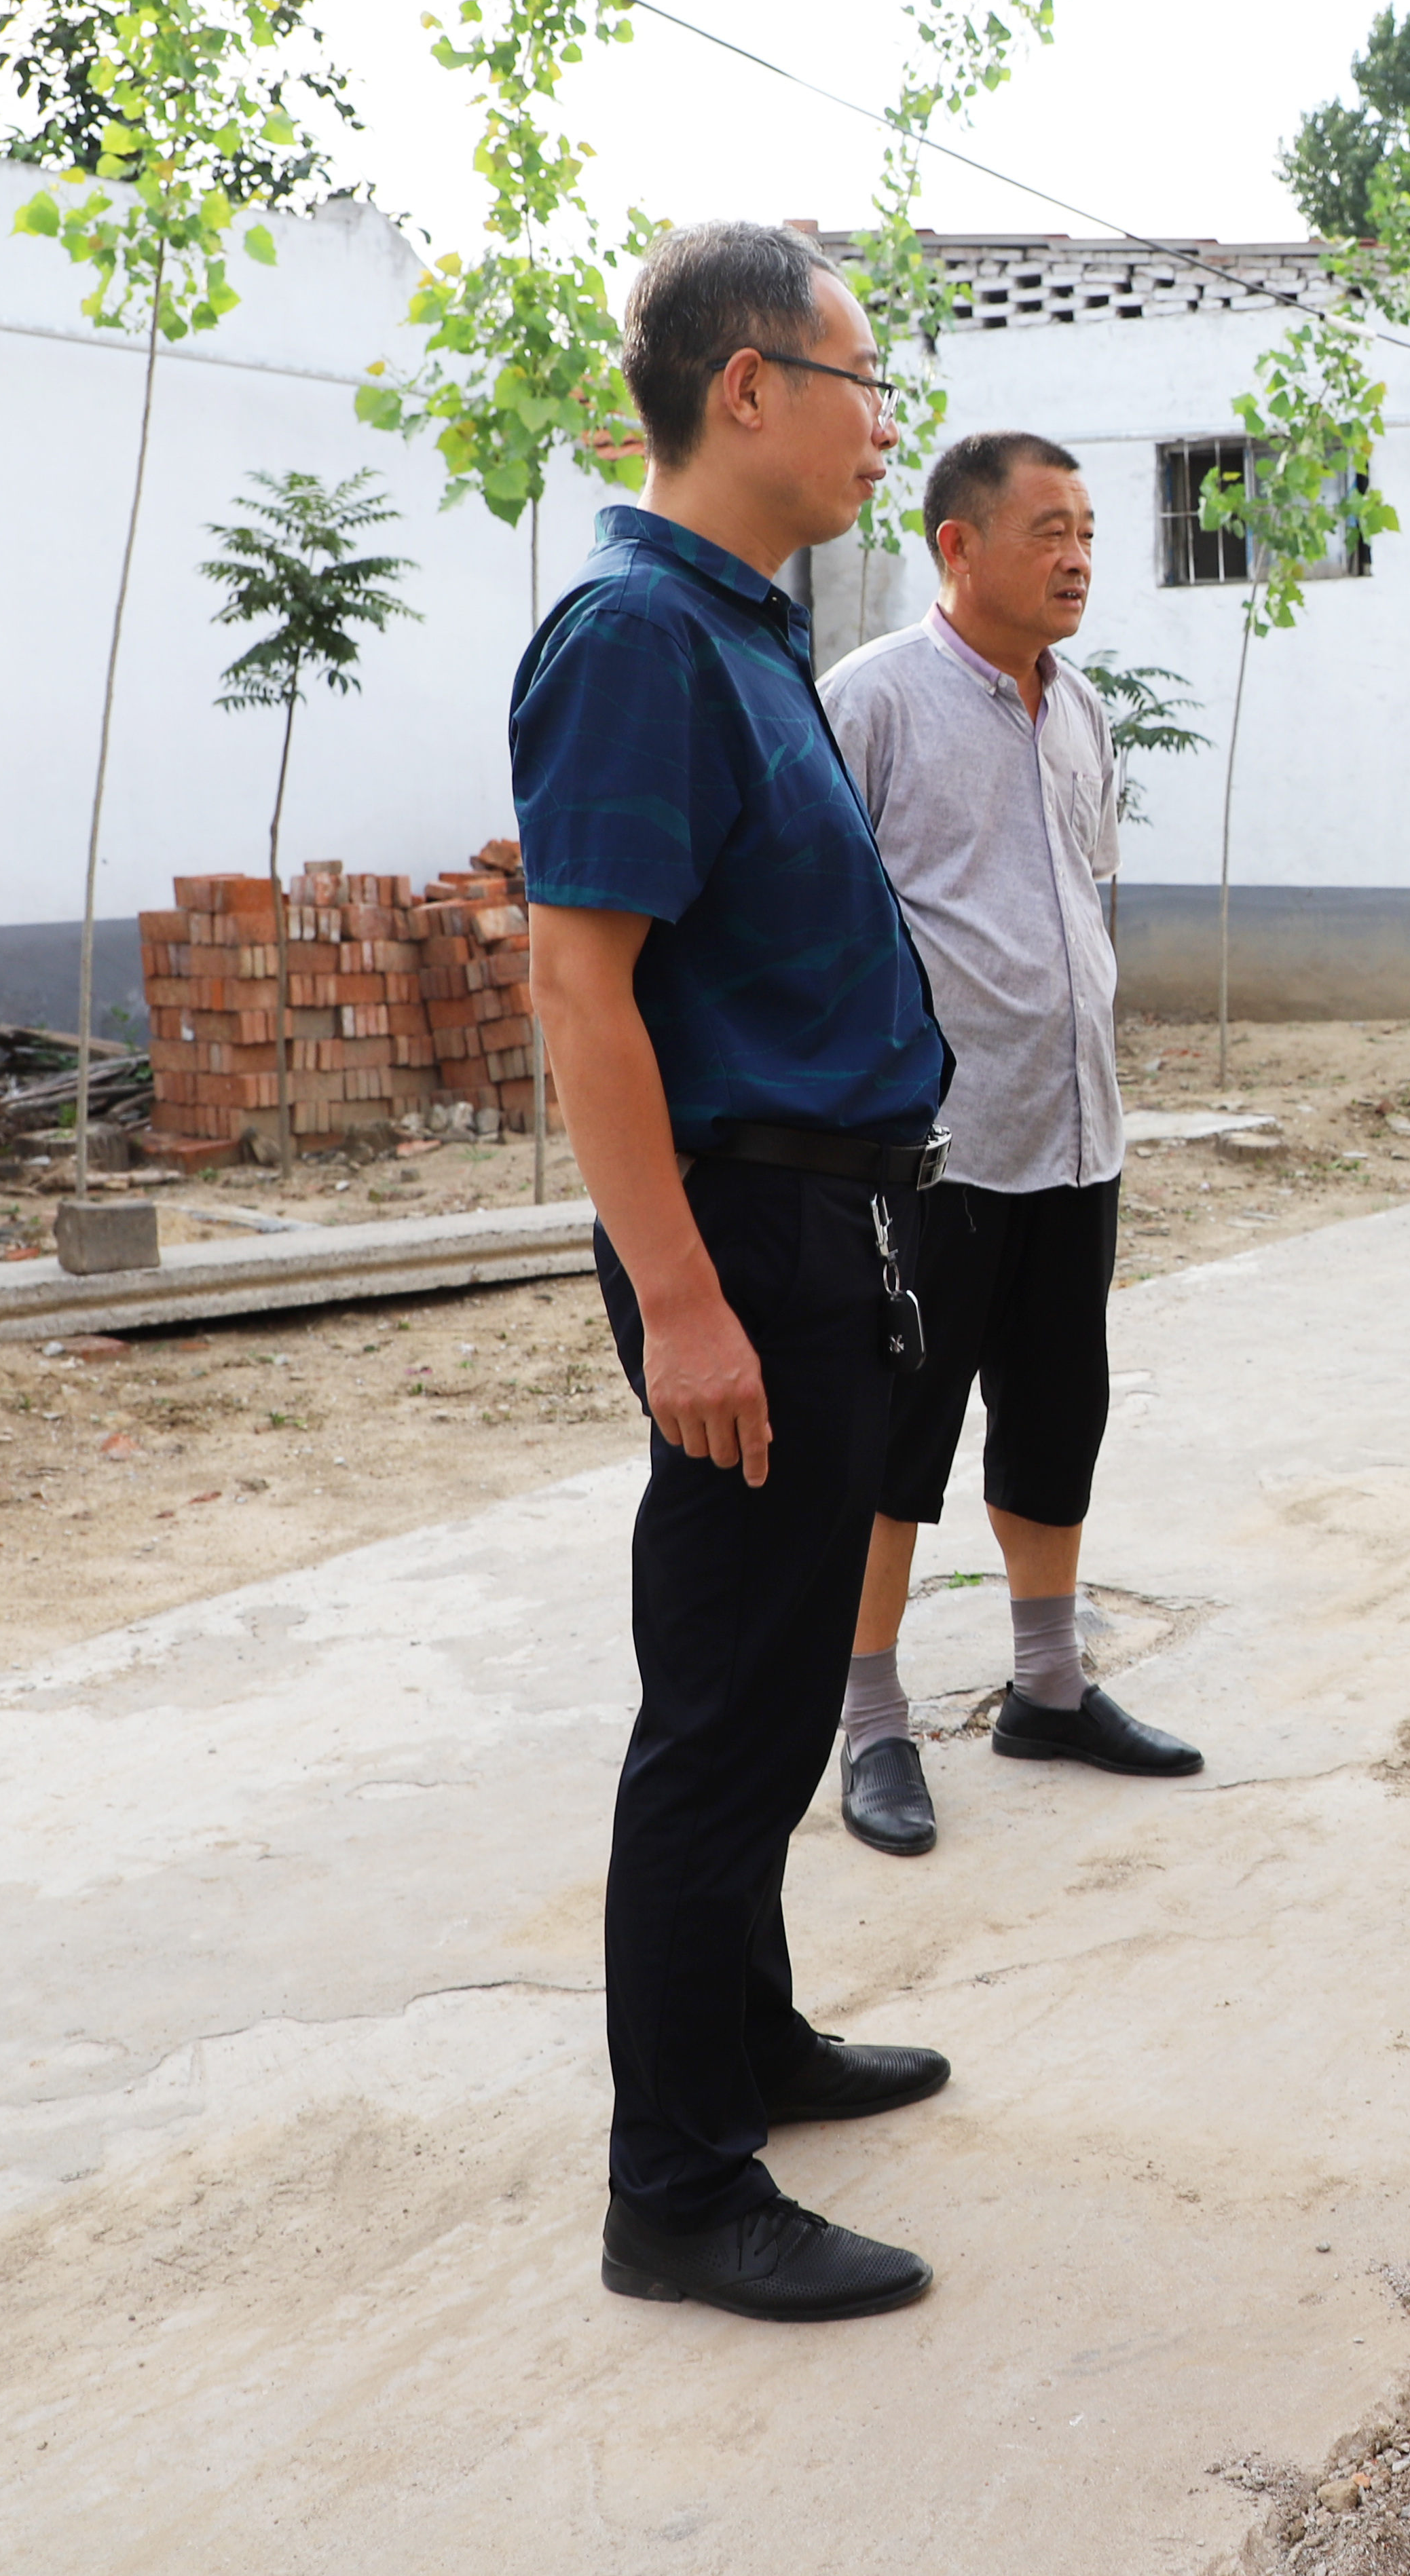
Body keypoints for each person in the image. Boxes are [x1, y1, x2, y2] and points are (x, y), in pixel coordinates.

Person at [515, 219, 953, 2321]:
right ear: (749, 387)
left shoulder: (748, 626)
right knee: (717, 1714)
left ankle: (749, 2045)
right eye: (865, 382)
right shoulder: (633, 638)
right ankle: (676, 2188)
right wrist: (681, 1300)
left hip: (829, 1214)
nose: (889, 423)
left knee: (779, 1686)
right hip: (744, 1238)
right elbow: (583, 1000)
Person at [815, 431, 1200, 1856]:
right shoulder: (870, 704)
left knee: (1056, 1418)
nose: (1081, 555)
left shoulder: (1082, 708)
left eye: (1090, 529)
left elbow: (1088, 906)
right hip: (932, 1159)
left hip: (1075, 1141)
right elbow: (818, 928)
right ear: (956, 546)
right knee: (895, 1444)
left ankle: (1048, 1684)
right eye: (1049, 529)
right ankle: (867, 1723)